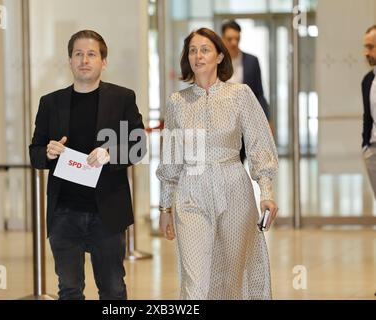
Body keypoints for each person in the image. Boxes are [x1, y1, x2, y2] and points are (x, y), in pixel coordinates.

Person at [156, 28, 278, 300]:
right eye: (192, 50)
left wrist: (266, 193)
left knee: (231, 277)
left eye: (205, 49)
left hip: (234, 187)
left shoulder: (240, 95)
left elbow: (259, 145)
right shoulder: (178, 102)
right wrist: (165, 206)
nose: (197, 55)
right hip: (191, 192)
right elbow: (171, 159)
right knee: (195, 282)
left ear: (220, 56)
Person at [29, 30, 146, 300]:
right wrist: (47, 152)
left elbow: (139, 147)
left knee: (113, 289)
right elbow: (35, 153)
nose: (84, 60)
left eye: (92, 54)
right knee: (69, 290)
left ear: (103, 61)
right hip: (64, 213)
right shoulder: (51, 103)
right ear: (69, 61)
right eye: (78, 54)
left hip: (107, 212)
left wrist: (110, 153)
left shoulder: (122, 98)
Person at [221, 20, 270, 162]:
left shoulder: (251, 61)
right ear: (222, 39)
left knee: (240, 160)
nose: (234, 42)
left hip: (245, 121)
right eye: (230, 39)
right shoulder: (217, 62)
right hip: (222, 121)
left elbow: (259, 93)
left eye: (237, 38)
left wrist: (267, 120)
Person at [362, 25, 376, 199]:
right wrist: (365, 146)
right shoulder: (368, 80)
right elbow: (368, 116)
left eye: (371, 47)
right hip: (373, 151)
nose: (366, 52)